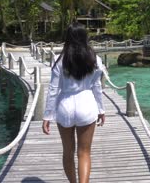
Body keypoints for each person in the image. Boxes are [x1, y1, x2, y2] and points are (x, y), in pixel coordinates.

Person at [42, 22, 105, 183]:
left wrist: (47, 116)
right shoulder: (94, 58)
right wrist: (101, 109)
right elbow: (97, 86)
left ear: (68, 38)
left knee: (68, 153)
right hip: (86, 104)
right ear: (85, 37)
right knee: (84, 153)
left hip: (65, 106)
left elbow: (53, 90)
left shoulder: (59, 59)